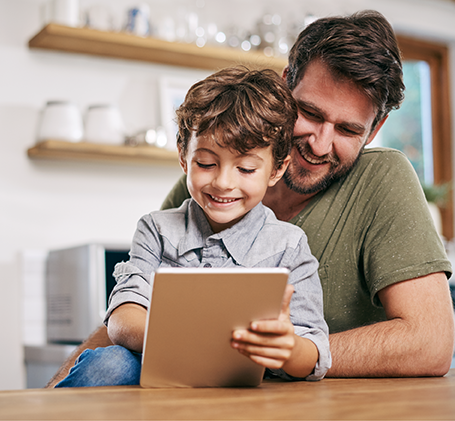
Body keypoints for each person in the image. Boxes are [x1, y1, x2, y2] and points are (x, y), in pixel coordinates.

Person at [161, 10, 455, 378]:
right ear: (285, 87)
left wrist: (293, 354)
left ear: (375, 128)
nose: (320, 144)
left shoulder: (383, 178)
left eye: (348, 129)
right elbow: (141, 310)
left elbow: (430, 342)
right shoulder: (214, 184)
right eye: (310, 113)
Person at [55, 67, 331, 387]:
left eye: (245, 168)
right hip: (160, 375)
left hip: (247, 387)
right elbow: (122, 319)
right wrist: (196, 338)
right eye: (206, 164)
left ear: (276, 170)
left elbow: (314, 352)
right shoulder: (157, 230)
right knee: (110, 364)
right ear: (184, 158)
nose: (223, 182)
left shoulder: (288, 245)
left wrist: (288, 348)